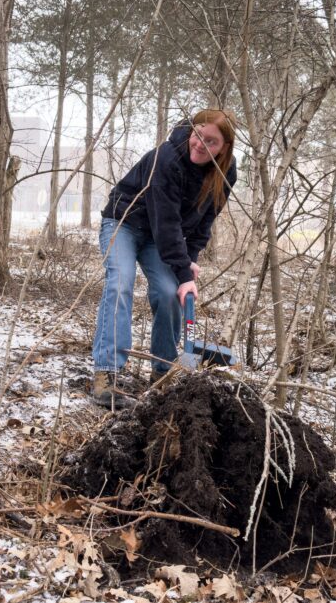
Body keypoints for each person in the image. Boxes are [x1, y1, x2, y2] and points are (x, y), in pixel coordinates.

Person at [91, 109, 237, 407]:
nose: (200, 144)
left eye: (211, 142)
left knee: (170, 294)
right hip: (124, 223)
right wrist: (183, 271)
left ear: (224, 148)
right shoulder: (167, 158)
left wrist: (190, 259)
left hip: (159, 237)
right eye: (198, 135)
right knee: (120, 283)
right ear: (191, 130)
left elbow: (205, 218)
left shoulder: (225, 171)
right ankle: (107, 374)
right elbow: (166, 222)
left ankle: (162, 372)